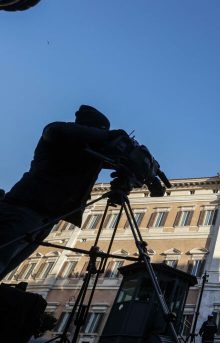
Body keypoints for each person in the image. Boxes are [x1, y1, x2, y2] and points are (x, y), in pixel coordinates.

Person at [0, 105, 133, 280]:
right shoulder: (58, 133)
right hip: (23, 209)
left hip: (45, 220)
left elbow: (117, 160)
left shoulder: (87, 155)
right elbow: (58, 131)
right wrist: (110, 137)